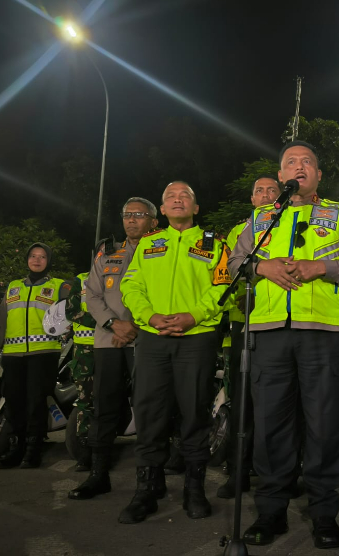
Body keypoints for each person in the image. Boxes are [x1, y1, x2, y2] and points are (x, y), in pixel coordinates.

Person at [228, 140, 339, 549]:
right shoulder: (259, 219)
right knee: (271, 426)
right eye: (291, 161)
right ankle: (270, 513)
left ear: (319, 175)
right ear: (280, 176)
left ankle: (325, 514)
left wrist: (321, 266)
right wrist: (262, 266)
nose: (299, 166)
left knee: (324, 426)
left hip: (323, 333)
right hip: (269, 332)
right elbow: (233, 263)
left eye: (307, 161)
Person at [117, 183, 231, 523]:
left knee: (194, 412)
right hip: (153, 338)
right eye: (170, 197)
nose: (178, 199)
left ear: (196, 207)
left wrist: (193, 316)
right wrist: (149, 317)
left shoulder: (215, 243)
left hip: (197, 338)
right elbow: (130, 285)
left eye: (185, 196)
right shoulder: (148, 244)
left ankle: (194, 490)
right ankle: (147, 491)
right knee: (150, 413)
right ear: (162, 211)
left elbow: (223, 286)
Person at [69, 198, 158, 500]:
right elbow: (92, 295)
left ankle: (150, 477)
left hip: (145, 339)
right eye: (127, 215)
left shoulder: (161, 251)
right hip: (108, 340)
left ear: (153, 221)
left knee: (149, 406)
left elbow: (160, 294)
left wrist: (130, 326)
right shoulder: (108, 253)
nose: (131, 220)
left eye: (139, 215)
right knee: (103, 407)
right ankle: (98, 474)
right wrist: (113, 325)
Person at [217, 174, 281, 499]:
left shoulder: (290, 223)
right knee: (241, 404)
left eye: (273, 190)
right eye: (260, 190)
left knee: (278, 403)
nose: (266, 194)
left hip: (278, 327)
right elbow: (223, 274)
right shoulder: (238, 232)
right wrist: (238, 299)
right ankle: (238, 472)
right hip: (242, 327)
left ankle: (281, 469)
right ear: (252, 198)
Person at [0, 243, 70, 469]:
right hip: (12, 356)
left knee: (35, 402)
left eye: (43, 257)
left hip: (44, 354)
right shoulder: (13, 287)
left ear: (48, 261)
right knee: (14, 403)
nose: (37, 260)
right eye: (33, 255)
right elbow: (2, 325)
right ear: (27, 259)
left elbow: (70, 314)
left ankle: (33, 450)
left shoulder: (59, 286)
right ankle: (17, 448)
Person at [64, 271, 96, 472]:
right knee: (85, 402)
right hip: (84, 350)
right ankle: (85, 451)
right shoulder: (81, 279)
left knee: (111, 401)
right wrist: (106, 321)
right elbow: (71, 310)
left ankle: (103, 448)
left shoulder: (130, 271)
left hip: (116, 346)